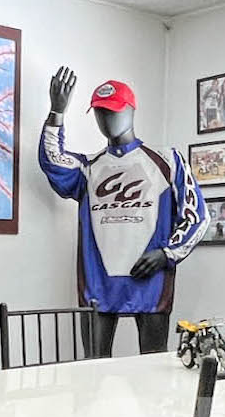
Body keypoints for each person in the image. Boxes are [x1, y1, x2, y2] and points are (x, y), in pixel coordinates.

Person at [37, 67, 208, 355]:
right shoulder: (89, 167)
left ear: (131, 110)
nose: (107, 119)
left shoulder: (167, 160)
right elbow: (52, 162)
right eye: (101, 112)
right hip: (98, 281)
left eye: (114, 110)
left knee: (153, 363)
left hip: (150, 277)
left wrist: (167, 254)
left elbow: (197, 217)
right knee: (93, 364)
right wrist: (57, 113)